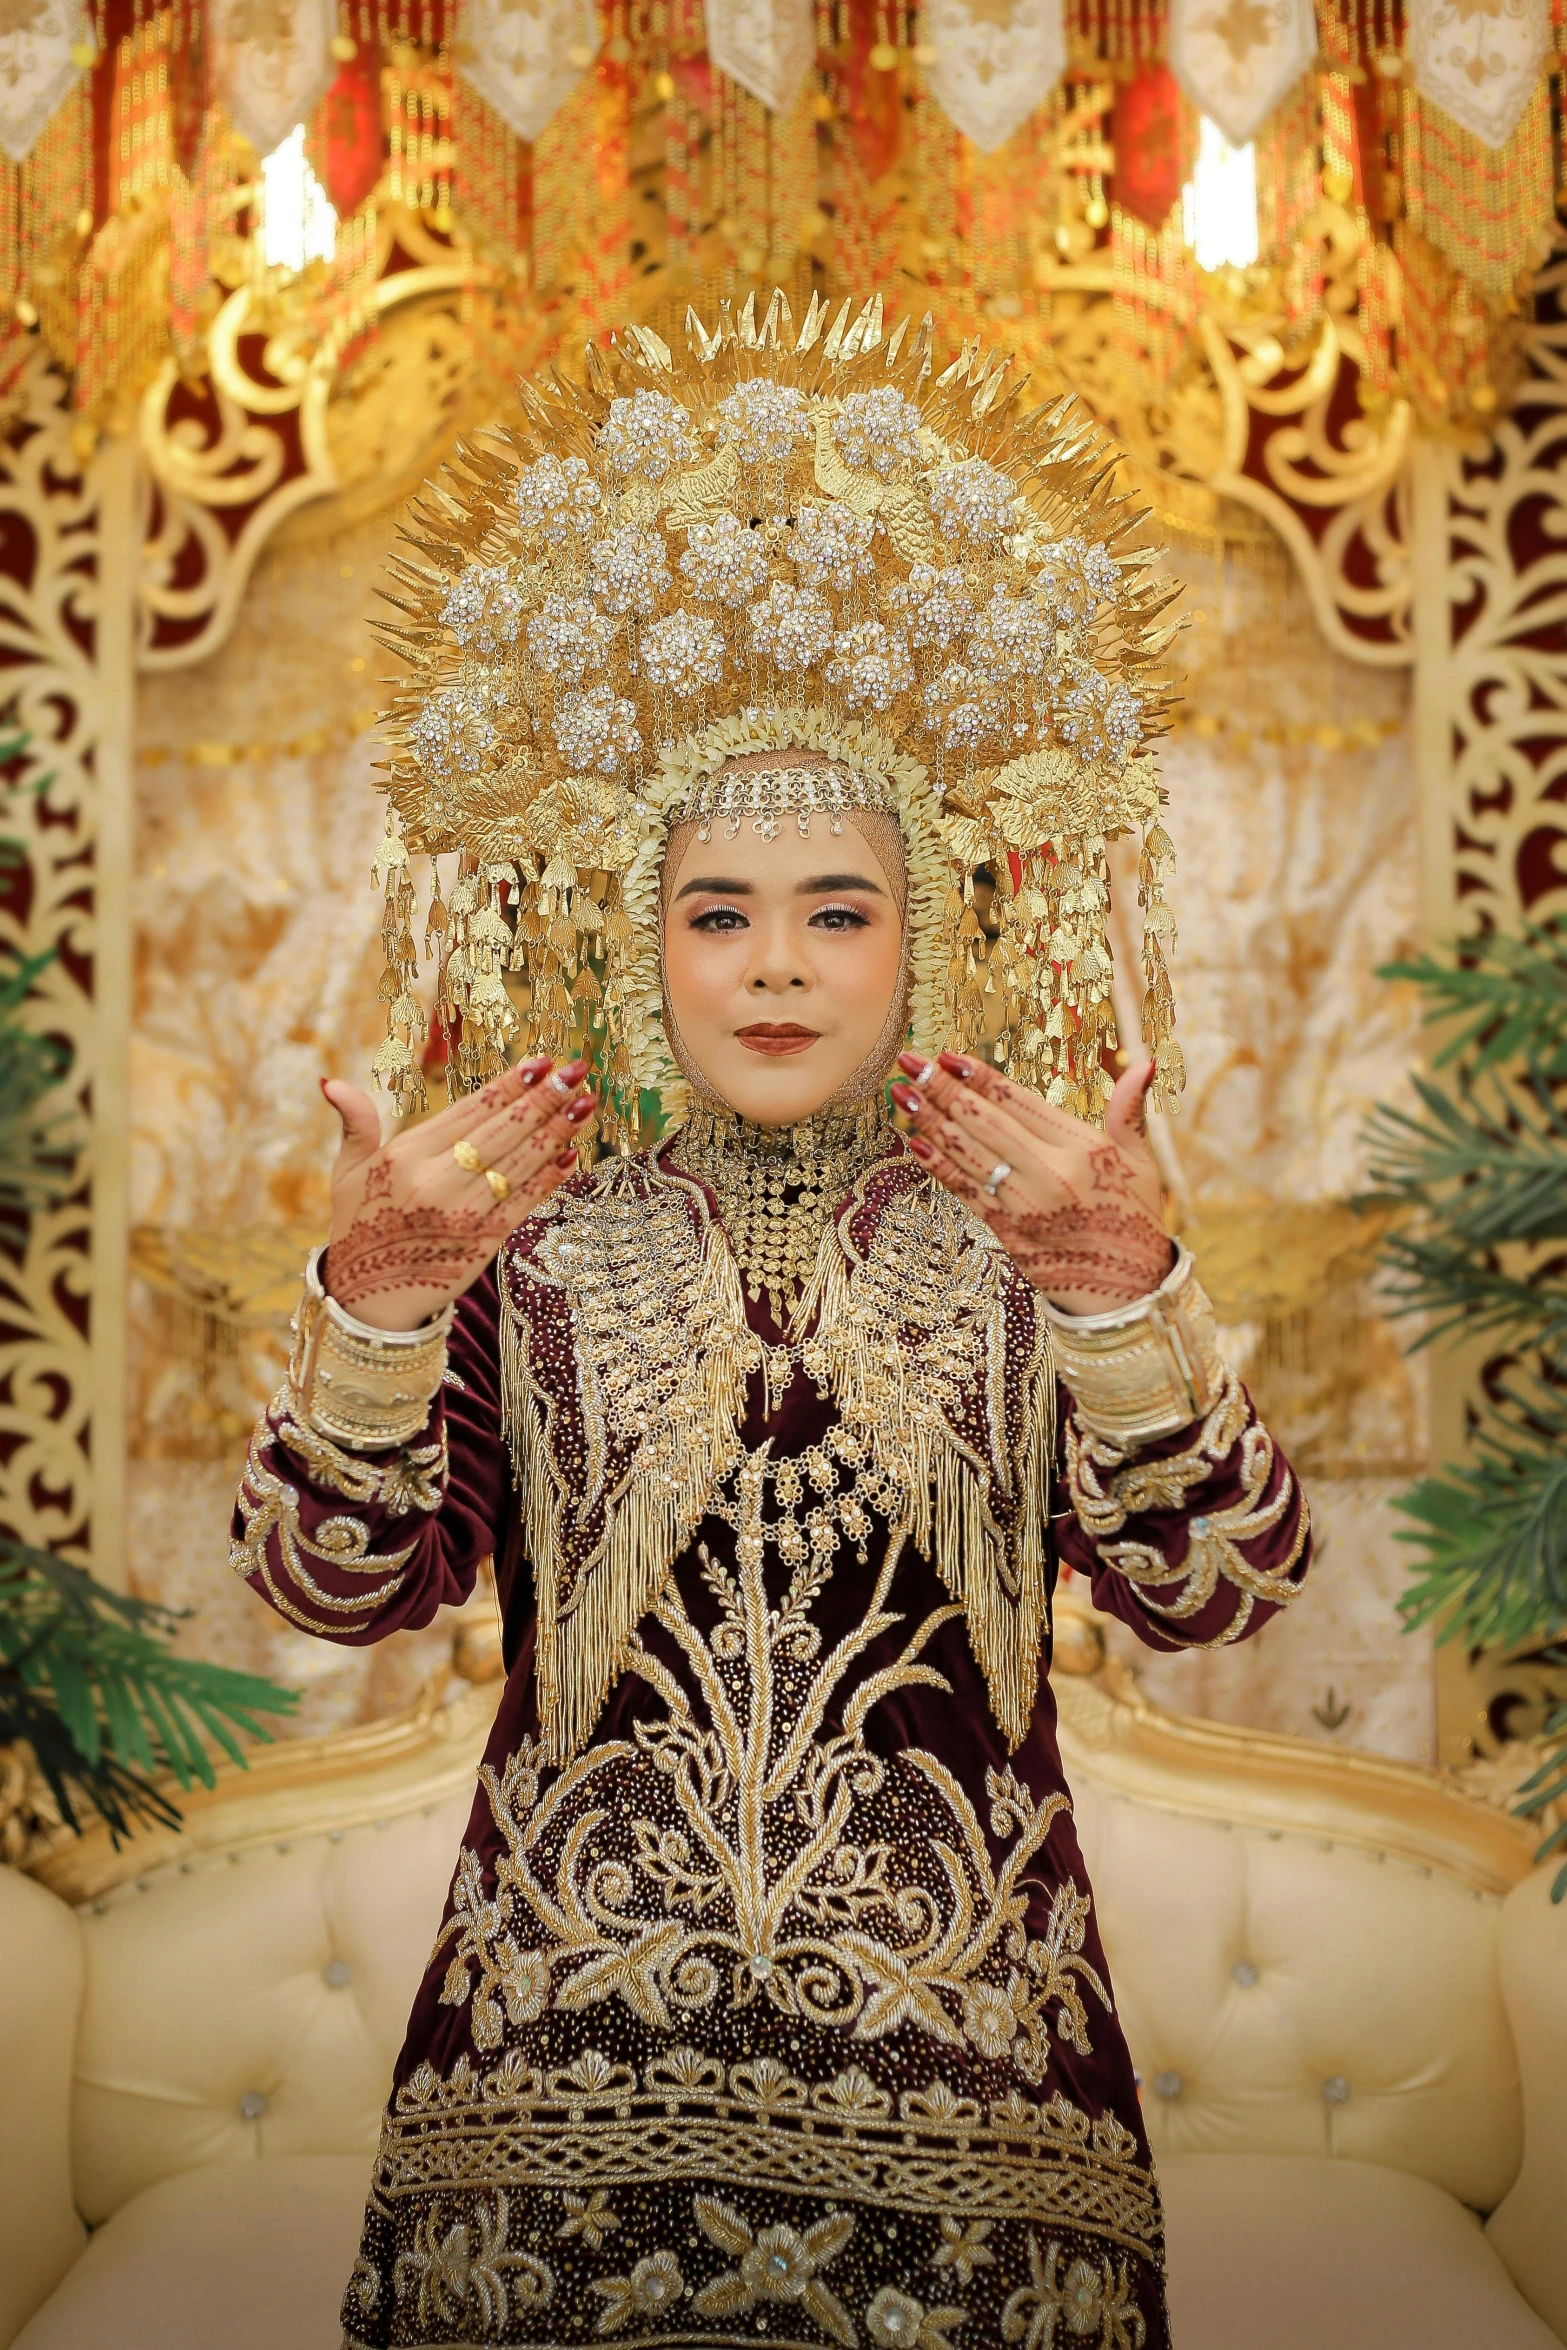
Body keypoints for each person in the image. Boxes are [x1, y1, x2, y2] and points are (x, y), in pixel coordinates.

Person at [232, 294, 1311, 2350]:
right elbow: (337, 1579)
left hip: (982, 2133)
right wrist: (378, 1301)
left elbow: (1223, 1586)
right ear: (644, 953)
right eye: (719, 912)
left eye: (840, 909)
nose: (779, 965)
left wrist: (1132, 1302)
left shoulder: (1033, 1234)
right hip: (544, 2123)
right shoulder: (528, 1251)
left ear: (930, 944)